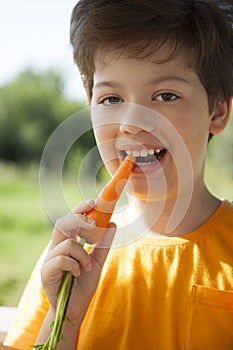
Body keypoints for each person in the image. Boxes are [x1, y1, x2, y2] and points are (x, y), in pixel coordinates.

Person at [5, 1, 233, 349]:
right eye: (111, 99)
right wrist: (64, 314)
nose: (131, 122)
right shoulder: (73, 255)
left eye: (165, 95)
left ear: (217, 111)